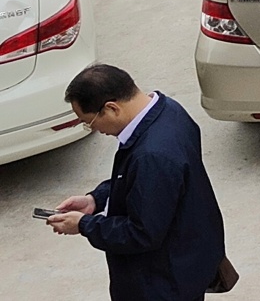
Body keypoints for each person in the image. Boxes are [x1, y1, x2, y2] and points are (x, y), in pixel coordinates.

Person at [45, 64, 229, 301]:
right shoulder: (169, 111)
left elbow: (141, 234)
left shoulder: (152, 155)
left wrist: (84, 225)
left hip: (161, 283)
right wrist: (96, 199)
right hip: (185, 256)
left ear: (111, 109)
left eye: (89, 122)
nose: (95, 130)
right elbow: (147, 184)